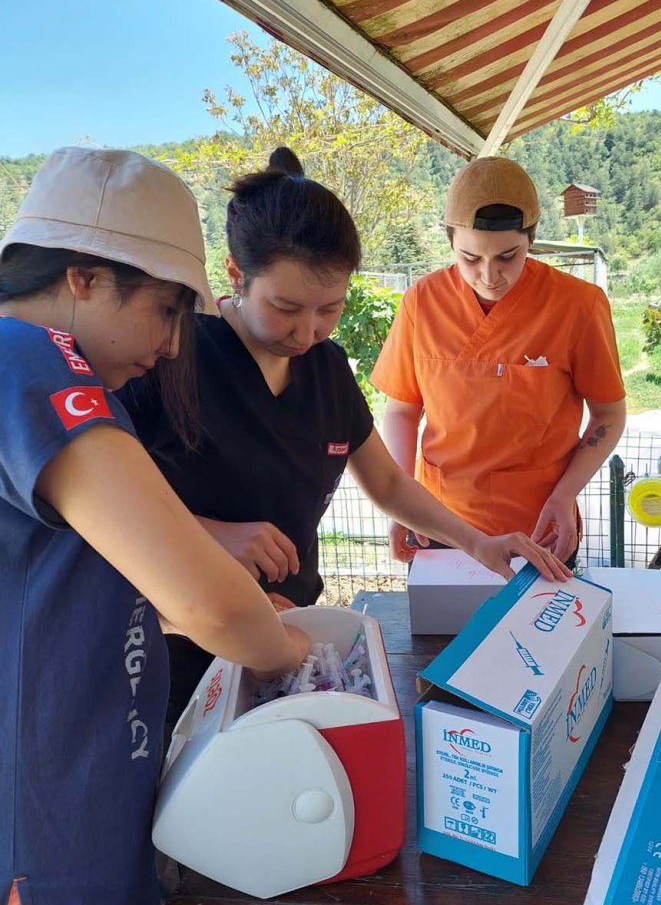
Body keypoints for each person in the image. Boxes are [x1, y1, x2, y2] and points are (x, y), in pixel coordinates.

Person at [120, 147, 570, 725]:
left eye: (329, 309)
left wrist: (477, 543)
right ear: (235, 275)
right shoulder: (171, 359)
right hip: (175, 651)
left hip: (288, 636)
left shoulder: (326, 367)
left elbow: (387, 482)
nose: (306, 332)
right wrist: (208, 535)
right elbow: (87, 509)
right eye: (285, 308)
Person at [0, 147, 309, 905]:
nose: (174, 344)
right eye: (166, 309)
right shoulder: (31, 362)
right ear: (83, 276)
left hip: (84, 794)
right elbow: (207, 603)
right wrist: (290, 652)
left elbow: (58, 585)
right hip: (47, 834)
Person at [371, 156, 627, 565]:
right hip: (439, 522)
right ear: (450, 241)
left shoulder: (579, 305)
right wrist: (402, 504)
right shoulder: (422, 301)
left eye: (508, 256)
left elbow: (608, 415)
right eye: (469, 258)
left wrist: (565, 496)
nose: (489, 276)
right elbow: (402, 410)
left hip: (541, 527)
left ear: (532, 238)